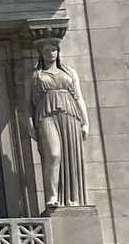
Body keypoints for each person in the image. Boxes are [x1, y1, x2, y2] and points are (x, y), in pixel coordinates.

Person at [32, 48, 90, 210]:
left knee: (70, 155)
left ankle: (72, 198)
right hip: (45, 115)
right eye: (47, 50)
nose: (51, 53)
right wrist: (30, 124)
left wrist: (85, 122)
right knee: (53, 154)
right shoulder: (36, 74)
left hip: (70, 115)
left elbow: (78, 98)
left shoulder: (69, 72)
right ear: (41, 53)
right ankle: (52, 195)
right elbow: (27, 103)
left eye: (54, 49)